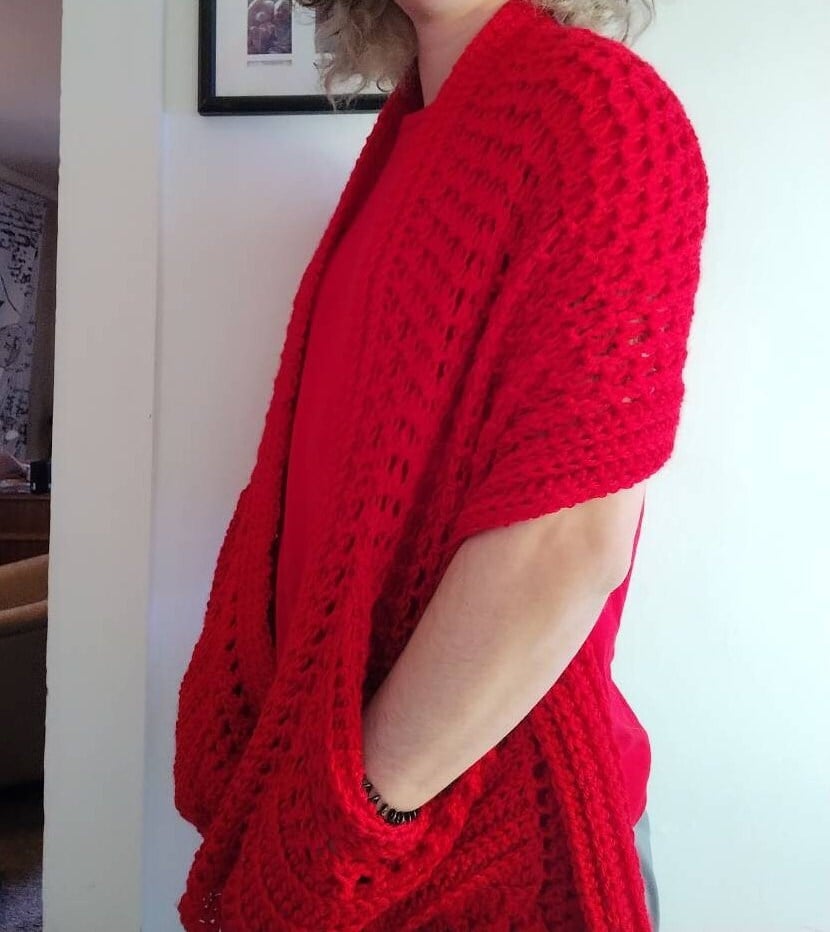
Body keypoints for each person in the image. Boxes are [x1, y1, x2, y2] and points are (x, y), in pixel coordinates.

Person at [174, 1, 708, 928]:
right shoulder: (406, 142)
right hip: (344, 791)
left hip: (468, 823)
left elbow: (564, 547)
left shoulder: (599, 112)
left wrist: (356, 817)